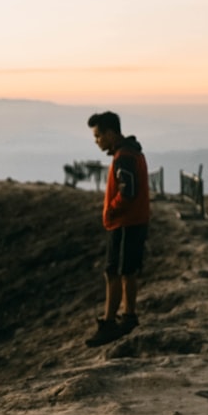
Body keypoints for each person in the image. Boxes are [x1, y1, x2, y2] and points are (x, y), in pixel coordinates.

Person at [85, 111, 150, 347]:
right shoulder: (131, 152)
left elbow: (128, 191)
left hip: (126, 222)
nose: (97, 141)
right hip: (132, 220)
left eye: (98, 136)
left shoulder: (124, 157)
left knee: (115, 271)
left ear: (110, 134)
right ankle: (127, 316)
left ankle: (111, 322)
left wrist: (111, 210)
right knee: (126, 270)